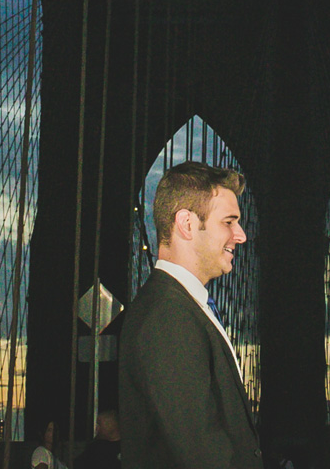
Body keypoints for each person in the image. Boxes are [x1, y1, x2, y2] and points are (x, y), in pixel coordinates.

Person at [118, 161, 261, 468]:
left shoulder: (179, 307)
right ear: (186, 224)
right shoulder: (167, 317)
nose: (241, 235)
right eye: (229, 222)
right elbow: (202, 452)